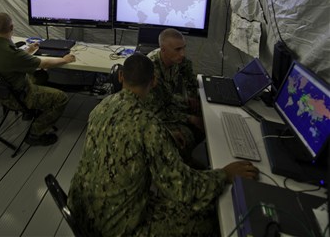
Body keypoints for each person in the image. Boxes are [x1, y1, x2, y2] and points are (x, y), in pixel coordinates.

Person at [68, 53, 259, 237]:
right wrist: (225, 174)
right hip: (117, 227)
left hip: (81, 211)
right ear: (154, 81)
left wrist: (163, 134)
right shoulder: (148, 125)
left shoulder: (101, 106)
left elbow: (124, 132)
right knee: (209, 219)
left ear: (120, 76)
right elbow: (182, 188)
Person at [0, 12, 76, 146]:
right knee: (61, 98)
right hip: (20, 97)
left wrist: (28, 51)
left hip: (4, 96)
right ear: (12, 27)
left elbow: (12, 61)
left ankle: (29, 114)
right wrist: (64, 59)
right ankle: (35, 133)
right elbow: (45, 63)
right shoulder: (13, 53)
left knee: (40, 75)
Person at [145, 28, 204, 160]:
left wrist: (192, 95)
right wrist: (189, 118)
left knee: (201, 111)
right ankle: (183, 163)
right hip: (153, 114)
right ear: (163, 50)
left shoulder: (178, 58)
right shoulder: (152, 71)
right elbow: (156, 110)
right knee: (187, 135)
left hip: (168, 100)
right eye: (178, 49)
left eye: (184, 48)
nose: (183, 53)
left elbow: (188, 73)